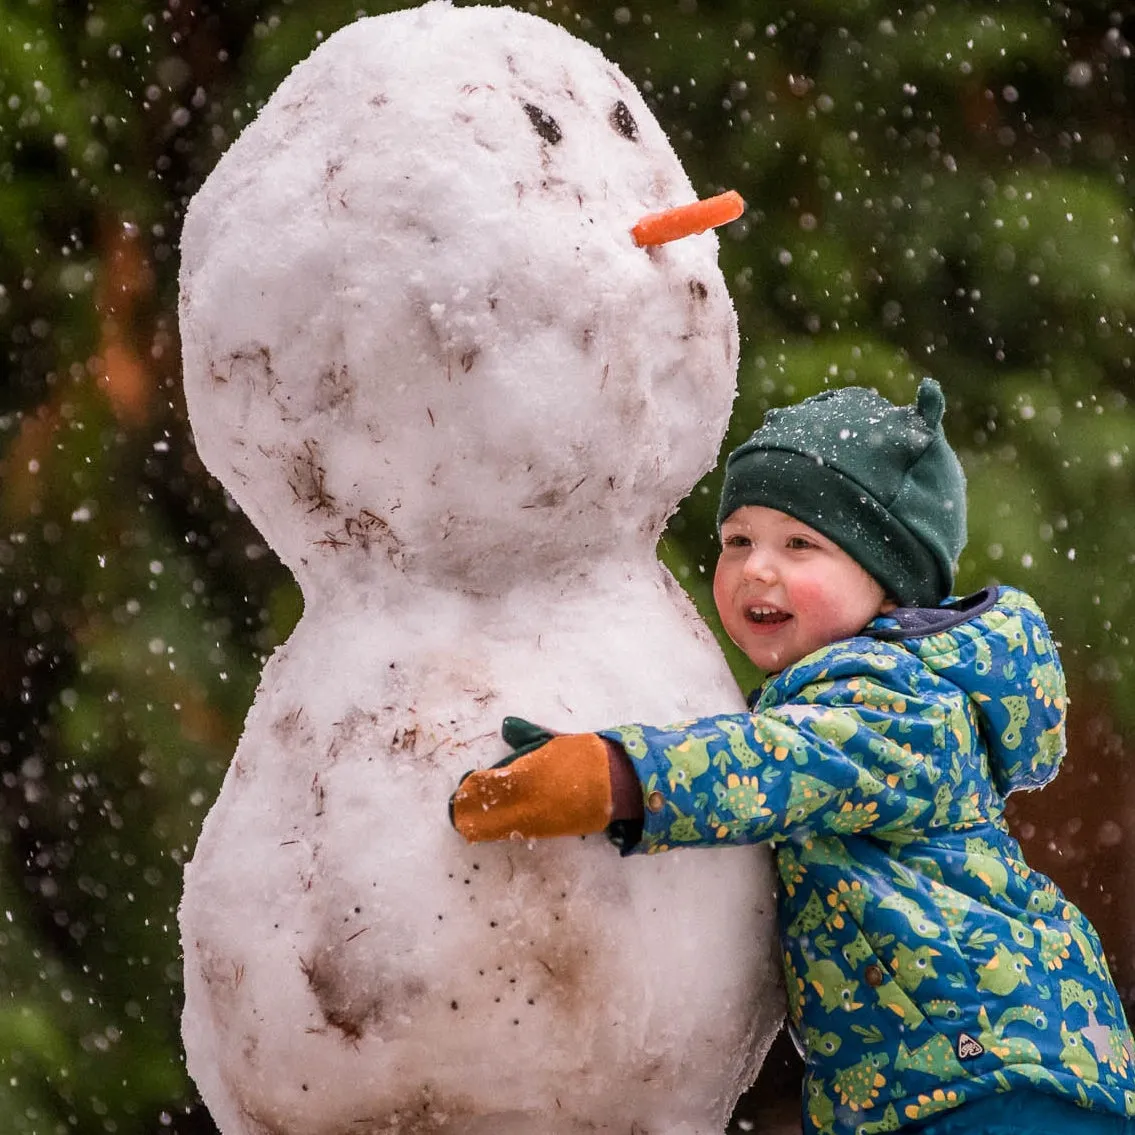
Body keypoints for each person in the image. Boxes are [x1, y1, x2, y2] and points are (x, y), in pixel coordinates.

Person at [449, 379, 1135, 1134]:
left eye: (799, 543)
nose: (756, 569)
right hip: (940, 1079)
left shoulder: (896, 702)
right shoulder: (836, 696)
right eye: (737, 539)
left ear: (886, 579)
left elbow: (776, 763)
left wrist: (613, 774)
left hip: (988, 1071)